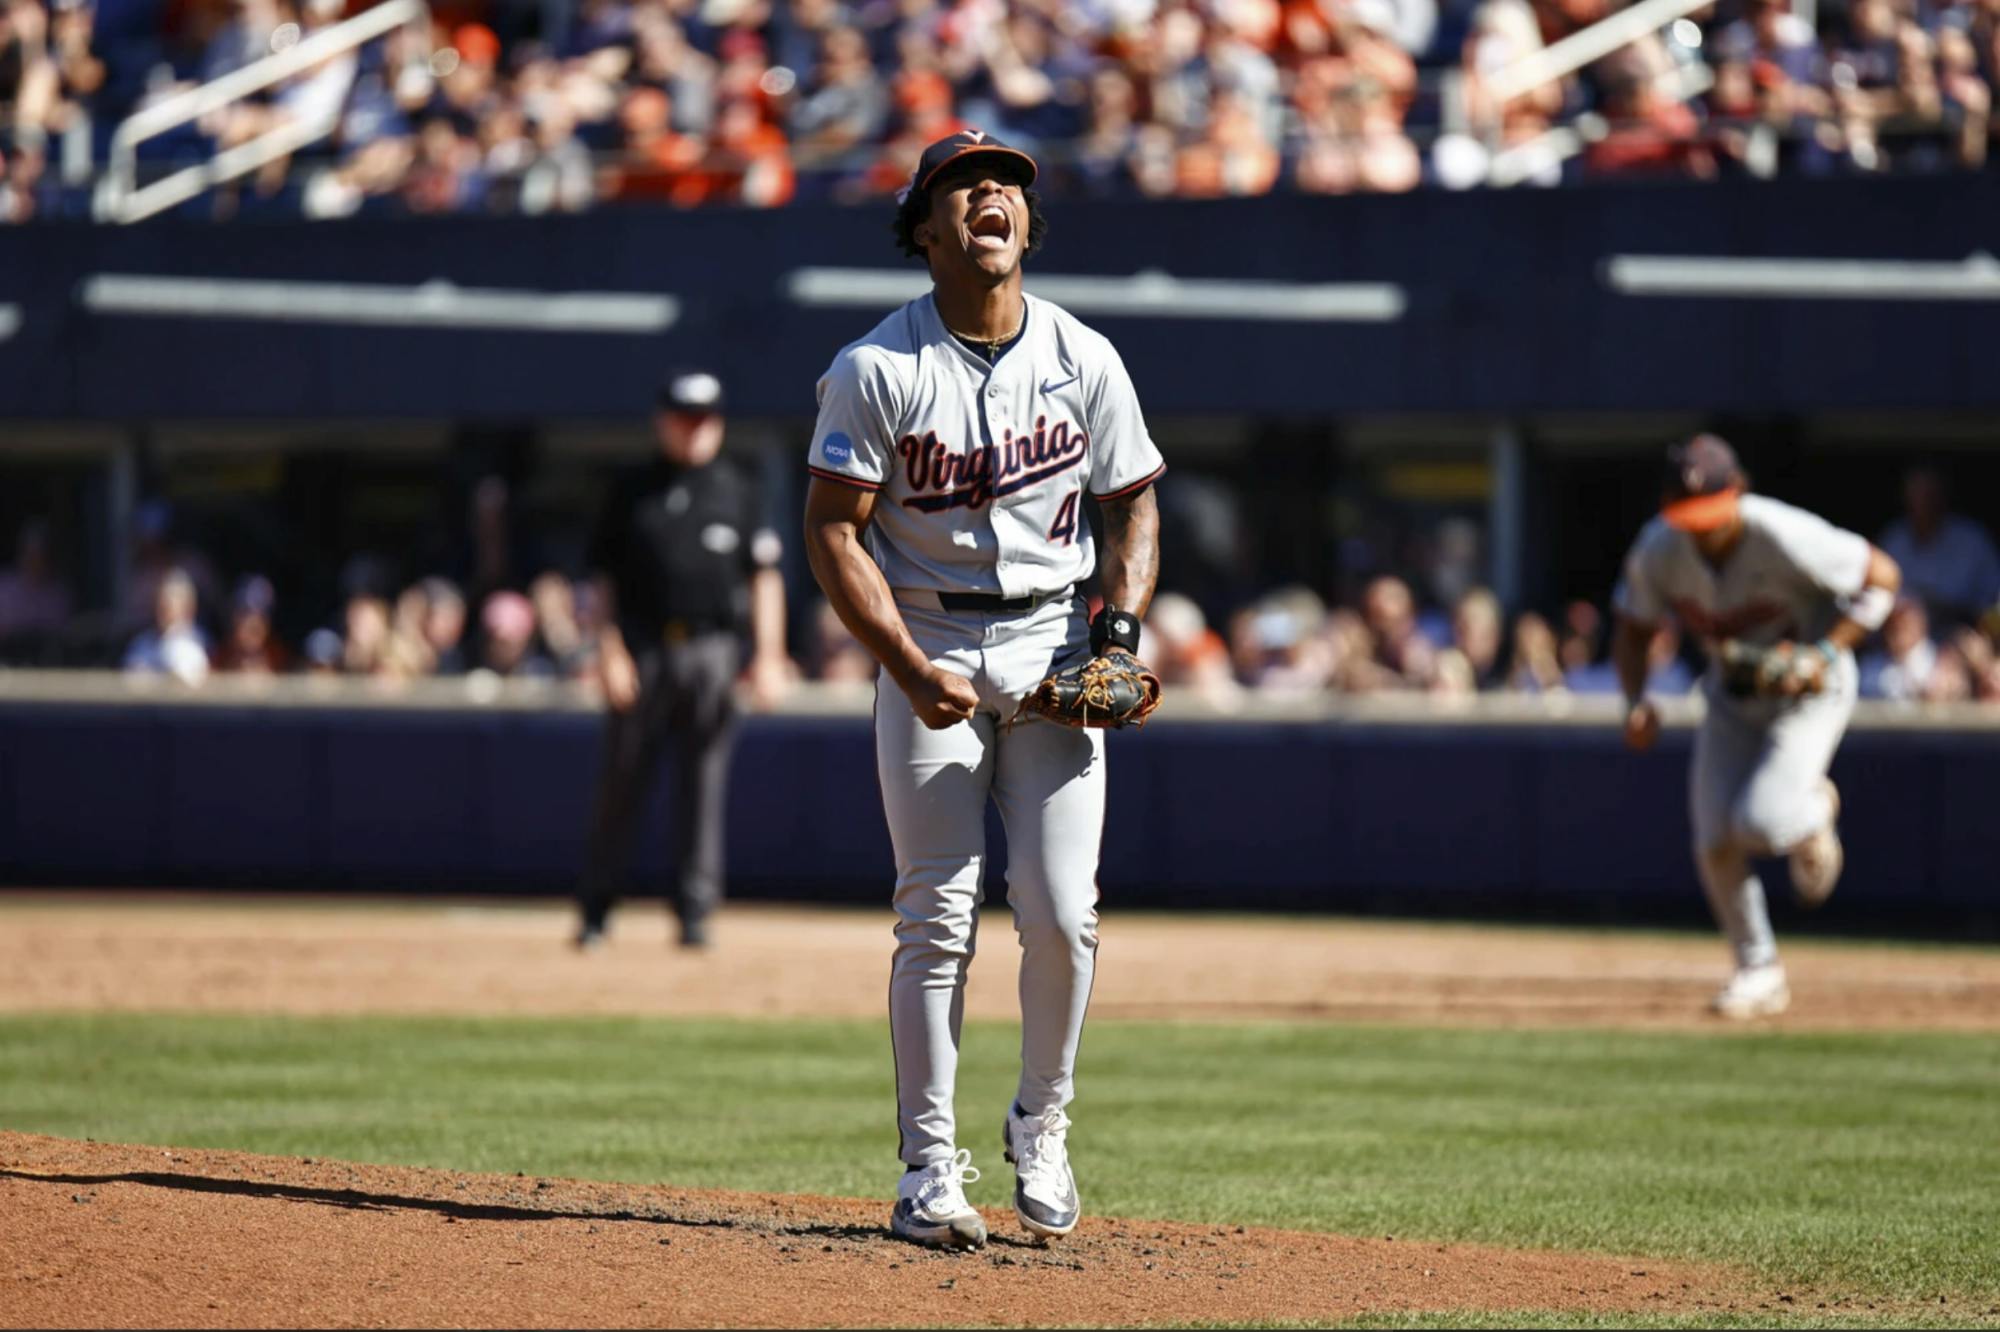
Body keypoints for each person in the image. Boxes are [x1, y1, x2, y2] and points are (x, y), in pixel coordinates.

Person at [801, 129, 1164, 1251]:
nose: (988, 193)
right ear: (923, 227)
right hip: (928, 630)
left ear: (1025, 224)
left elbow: (1134, 504)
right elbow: (831, 532)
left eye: (1003, 182)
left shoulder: (1083, 356)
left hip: (1053, 639)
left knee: (1062, 914)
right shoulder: (876, 368)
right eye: (960, 184)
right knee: (937, 915)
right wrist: (906, 666)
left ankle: (1041, 1125)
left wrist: (1117, 633)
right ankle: (926, 1169)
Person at [1612, 434, 1901, 1020]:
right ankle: (1758, 968)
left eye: (1710, 515)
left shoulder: (1783, 531)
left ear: (1738, 491)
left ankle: (1813, 810)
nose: (1701, 531)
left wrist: (1824, 650)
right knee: (1713, 838)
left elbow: (1883, 578)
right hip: (1731, 692)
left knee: (1761, 822)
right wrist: (1635, 701)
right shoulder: (1659, 547)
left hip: (1810, 691)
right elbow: (1633, 628)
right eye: (1689, 518)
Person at [575, 369, 793, 951]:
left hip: (712, 649)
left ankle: (695, 911)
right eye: (684, 418)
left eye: (705, 419)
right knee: (622, 782)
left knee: (704, 784)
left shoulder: (738, 488)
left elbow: (765, 577)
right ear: (662, 421)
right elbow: (600, 581)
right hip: (642, 649)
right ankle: (597, 908)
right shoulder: (631, 489)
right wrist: (608, 650)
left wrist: (769, 656)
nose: (695, 430)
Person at [1876, 467, 2000, 628]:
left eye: (1929, 496)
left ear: (1943, 497)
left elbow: (1992, 603)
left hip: (1958, 633)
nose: (1923, 504)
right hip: (1898, 634)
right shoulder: (1894, 537)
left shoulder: (1973, 540)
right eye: (1916, 495)